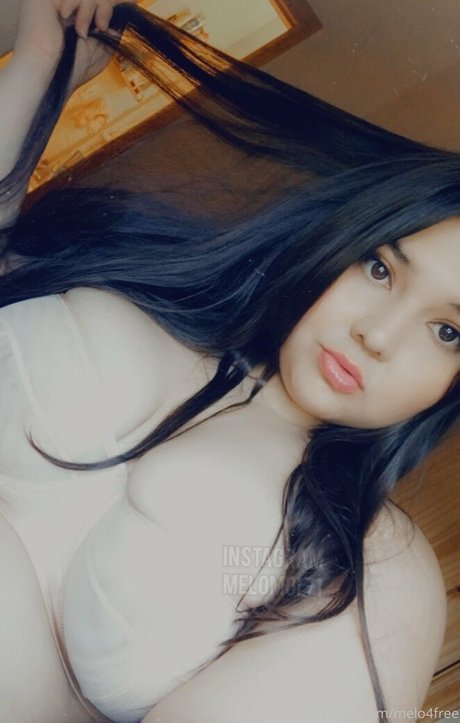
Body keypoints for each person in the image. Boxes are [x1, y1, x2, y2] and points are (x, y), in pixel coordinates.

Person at [0, 2, 458, 722]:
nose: (377, 334)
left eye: (448, 331)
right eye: (380, 268)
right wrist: (36, 64)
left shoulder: (364, 567)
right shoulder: (153, 281)